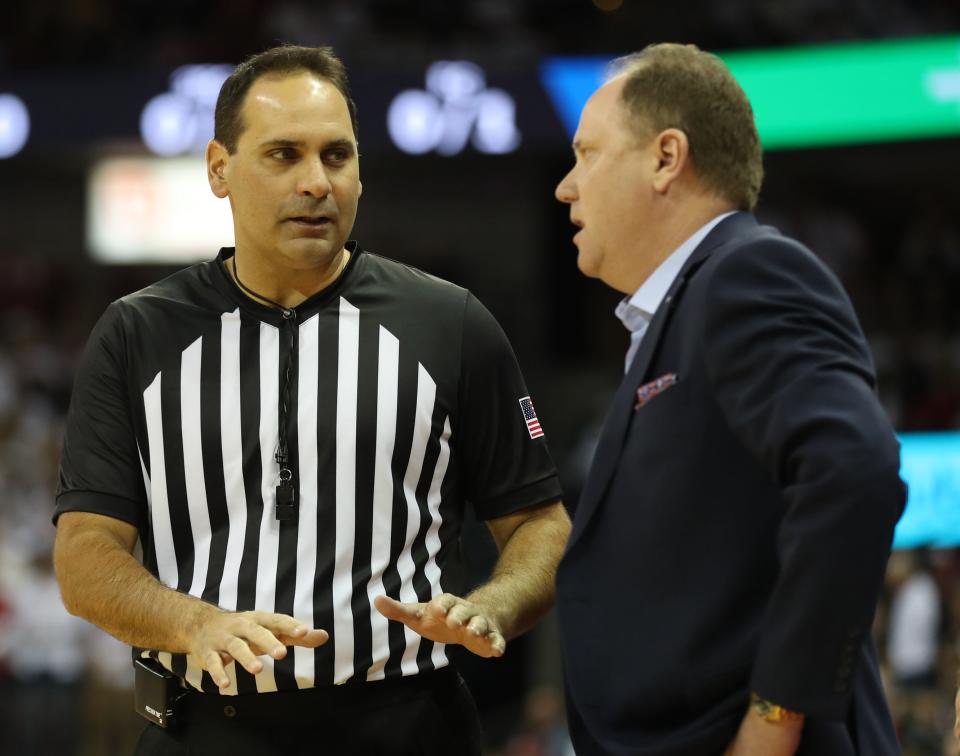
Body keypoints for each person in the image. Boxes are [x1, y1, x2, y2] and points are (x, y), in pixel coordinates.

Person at [53, 45, 570, 756]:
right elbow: (84, 555)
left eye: (337, 156)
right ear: (218, 168)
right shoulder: (136, 334)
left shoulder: (450, 324)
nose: (316, 182)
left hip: (411, 725)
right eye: (283, 155)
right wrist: (194, 623)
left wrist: (492, 606)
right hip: (208, 728)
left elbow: (540, 521)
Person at [553, 43, 905, 756]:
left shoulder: (748, 273)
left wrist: (776, 717)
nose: (566, 185)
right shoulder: (677, 314)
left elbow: (854, 470)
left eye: (587, 154)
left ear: (665, 158)